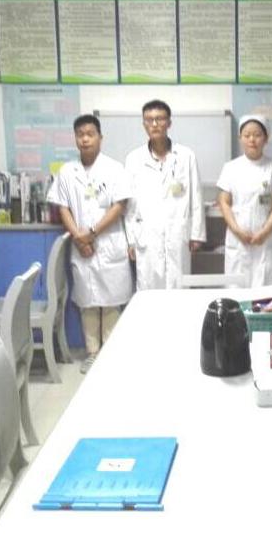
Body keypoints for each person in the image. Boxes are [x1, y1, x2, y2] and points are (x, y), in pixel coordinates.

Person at [47, 114, 133, 374]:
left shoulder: (115, 168)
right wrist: (78, 237)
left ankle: (110, 353)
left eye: (90, 134)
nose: (85, 139)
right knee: (88, 303)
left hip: (108, 244)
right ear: (75, 138)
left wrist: (92, 233)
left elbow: (119, 205)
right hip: (81, 247)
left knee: (111, 302)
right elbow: (63, 207)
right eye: (80, 134)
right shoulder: (66, 171)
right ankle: (93, 353)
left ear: (100, 138)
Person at [124, 100, 205, 290]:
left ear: (169, 123)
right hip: (147, 235)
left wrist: (197, 234)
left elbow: (196, 196)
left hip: (178, 234)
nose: (154, 124)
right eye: (149, 120)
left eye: (159, 119)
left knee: (179, 287)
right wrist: (131, 240)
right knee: (149, 288)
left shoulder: (186, 156)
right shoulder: (134, 159)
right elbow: (129, 206)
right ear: (144, 124)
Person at [217, 114, 272, 286]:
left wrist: (265, 232)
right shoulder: (230, 168)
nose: (252, 140)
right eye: (247, 135)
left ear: (266, 138)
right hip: (239, 237)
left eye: (257, 135)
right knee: (237, 288)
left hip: (267, 238)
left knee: (268, 287)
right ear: (240, 138)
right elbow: (224, 202)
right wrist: (237, 231)